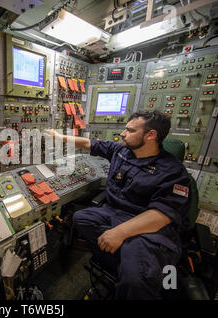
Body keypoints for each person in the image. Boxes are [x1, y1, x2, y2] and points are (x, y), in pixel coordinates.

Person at [46, 110, 191, 299]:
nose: (123, 133)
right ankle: (129, 261)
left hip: (149, 229)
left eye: (130, 130)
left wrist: (120, 233)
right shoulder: (122, 151)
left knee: (134, 281)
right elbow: (90, 144)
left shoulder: (173, 171)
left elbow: (162, 215)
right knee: (81, 218)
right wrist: (59, 137)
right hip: (115, 214)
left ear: (151, 135)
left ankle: (137, 271)